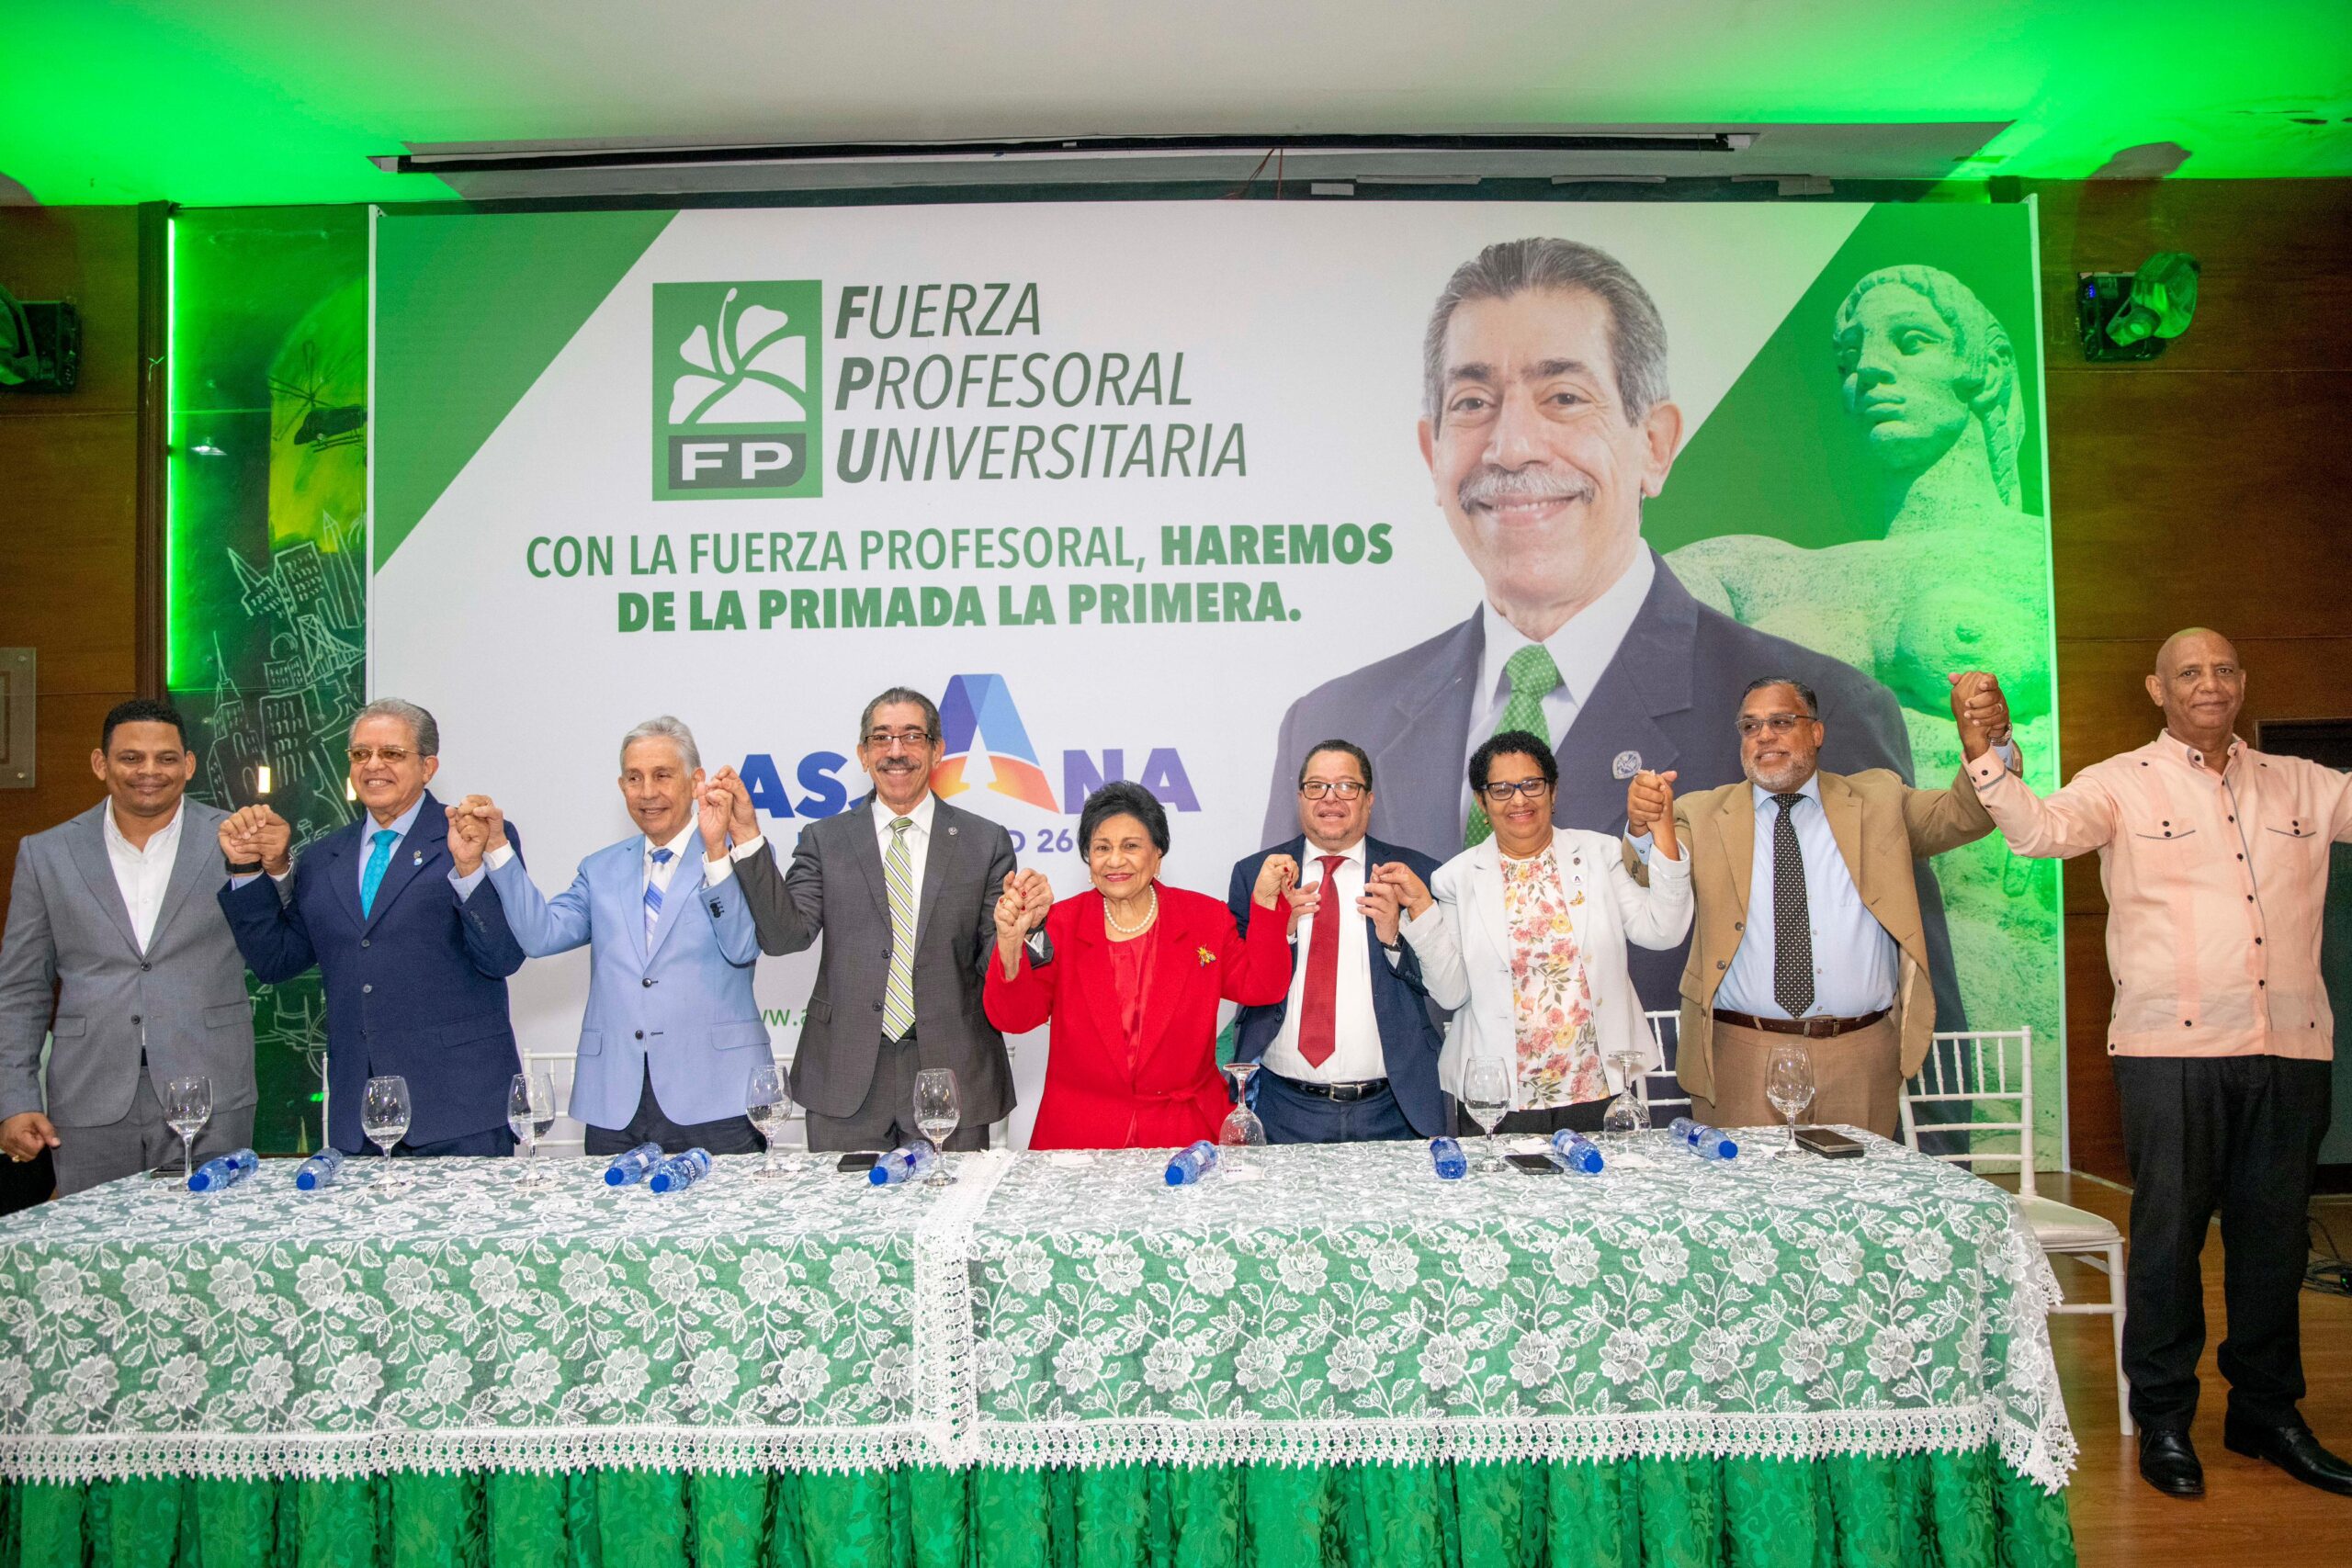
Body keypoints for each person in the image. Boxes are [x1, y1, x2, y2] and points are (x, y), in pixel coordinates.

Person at [1260, 236, 1970, 1054]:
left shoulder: (1819, 712)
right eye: (1473, 402)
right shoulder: (1336, 721)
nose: (1511, 447)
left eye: (1564, 396)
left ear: (1655, 445)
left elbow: (1923, 1041)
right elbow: (1279, 987)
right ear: (1433, 453)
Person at [1960, 630, 2352, 1500]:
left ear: (2242, 682)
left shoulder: (2305, 784)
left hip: (2290, 1047)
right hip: (2170, 1052)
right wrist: (1986, 753)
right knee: (2170, 1240)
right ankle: (2166, 1417)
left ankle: (2266, 1411)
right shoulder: (2120, 782)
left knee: (2275, 1241)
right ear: (2157, 688)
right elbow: (2038, 832)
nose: (2210, 683)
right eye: (2190, 672)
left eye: (2223, 669)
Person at [1625, 675, 2009, 1138]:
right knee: (1748, 1188)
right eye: (1750, 726)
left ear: (1817, 732)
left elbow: (1965, 815)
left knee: (1856, 1186)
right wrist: (1645, 827)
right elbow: (1650, 871)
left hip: (1860, 1052)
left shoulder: (1880, 799)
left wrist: (1985, 746)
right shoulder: (1703, 813)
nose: (1764, 736)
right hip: (1740, 1053)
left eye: (1781, 722)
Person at [714, 687, 1023, 1152]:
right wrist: (745, 834)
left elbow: (993, 960)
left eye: (912, 736)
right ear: (863, 754)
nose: (896, 751)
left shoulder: (984, 841)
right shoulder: (824, 840)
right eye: (881, 738)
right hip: (844, 1074)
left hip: (952, 1074)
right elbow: (784, 937)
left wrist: (1018, 933)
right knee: (839, 1203)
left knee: (954, 1198)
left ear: (937, 750)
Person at [217, 698, 526, 1156]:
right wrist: (245, 869)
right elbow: (276, 961)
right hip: (360, 1116)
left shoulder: (473, 838)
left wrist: (467, 870)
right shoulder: (323, 858)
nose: (373, 765)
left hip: (461, 1107)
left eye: (392, 754)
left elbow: (503, 955)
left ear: (428, 767)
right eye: (361, 754)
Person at [465, 716, 768, 1156]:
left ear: (695, 782)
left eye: (662, 775)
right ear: (622, 786)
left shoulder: (739, 854)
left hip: (717, 1095)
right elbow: (539, 936)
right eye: (634, 778)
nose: (647, 792)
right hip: (615, 1100)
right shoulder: (599, 868)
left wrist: (717, 851)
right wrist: (497, 849)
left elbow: (742, 947)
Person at [0, 700, 256, 1194]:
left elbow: (278, 939)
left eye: (165, 758)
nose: (149, 771)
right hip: (87, 1094)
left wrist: (277, 867)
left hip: (211, 1089)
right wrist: (15, 1098)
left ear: (188, 765)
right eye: (131, 757)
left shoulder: (237, 840)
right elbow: (21, 988)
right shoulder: (46, 853)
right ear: (101, 763)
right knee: (92, 1238)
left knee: (212, 1237)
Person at [1387, 730, 1691, 1134]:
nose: (1519, 800)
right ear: (1481, 802)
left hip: (1598, 1086)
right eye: (1501, 789)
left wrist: (1662, 830)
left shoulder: (1599, 855)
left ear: (1553, 792)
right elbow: (1451, 993)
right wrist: (1422, 913)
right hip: (1498, 1096)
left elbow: (1663, 931)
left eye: (1531, 784)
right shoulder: (1456, 879)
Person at [986, 781, 1295, 1149]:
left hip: (1185, 1136)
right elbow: (1015, 1019)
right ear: (1088, 859)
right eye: (1102, 848)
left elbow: (1263, 987)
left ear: (1158, 854)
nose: (1115, 860)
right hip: (1080, 1138)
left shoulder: (1205, 919)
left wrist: (1266, 905)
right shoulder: (1060, 923)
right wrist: (1010, 943)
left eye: (1130, 846)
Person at [1226, 739, 1447, 1142]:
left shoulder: (1414, 873)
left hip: (1393, 1109)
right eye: (1316, 786)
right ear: (1300, 798)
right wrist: (1280, 931)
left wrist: (1394, 939)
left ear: (1369, 800)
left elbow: (1444, 986)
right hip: (1282, 1107)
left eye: (1346, 786)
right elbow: (1243, 982)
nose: (1330, 798)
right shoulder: (1256, 874)